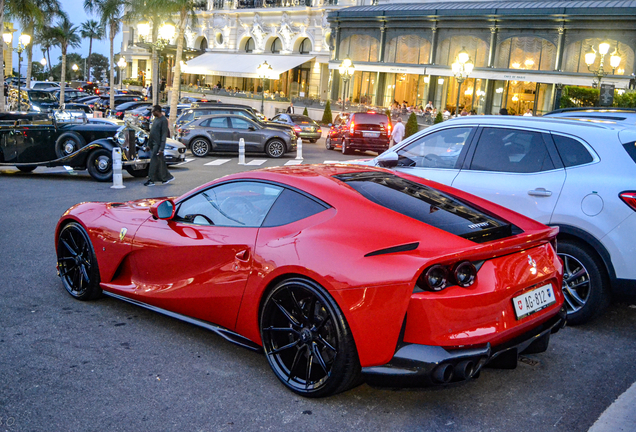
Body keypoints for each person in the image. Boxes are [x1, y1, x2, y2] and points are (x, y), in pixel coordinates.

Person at [145, 105, 174, 186]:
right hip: (153, 144)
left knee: (154, 162)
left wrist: (161, 148)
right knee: (160, 163)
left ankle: (151, 180)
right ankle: (166, 177)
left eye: (153, 111)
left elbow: (164, 135)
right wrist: (149, 145)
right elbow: (152, 133)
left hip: (158, 145)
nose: (152, 113)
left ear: (157, 111)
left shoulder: (163, 120)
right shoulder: (156, 119)